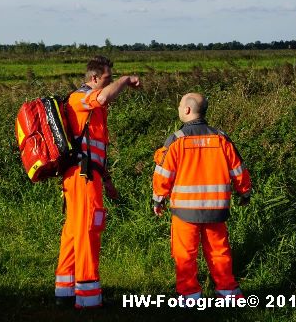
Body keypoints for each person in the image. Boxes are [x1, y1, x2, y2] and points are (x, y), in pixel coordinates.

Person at [55, 56, 140, 309]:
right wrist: (126, 80)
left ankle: (65, 292)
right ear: (94, 79)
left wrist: (108, 180)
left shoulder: (92, 109)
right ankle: (88, 298)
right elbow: (102, 97)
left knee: (73, 233)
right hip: (83, 179)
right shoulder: (81, 99)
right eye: (107, 79)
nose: (110, 83)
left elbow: (95, 150)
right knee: (87, 233)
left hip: (88, 176)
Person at [152, 93, 252, 300]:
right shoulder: (221, 138)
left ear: (187, 110)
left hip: (184, 211)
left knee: (185, 255)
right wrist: (244, 192)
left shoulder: (176, 140)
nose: (179, 108)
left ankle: (189, 296)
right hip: (216, 210)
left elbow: (163, 174)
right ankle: (228, 293)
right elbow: (238, 170)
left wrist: (158, 199)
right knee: (219, 253)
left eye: (180, 105)